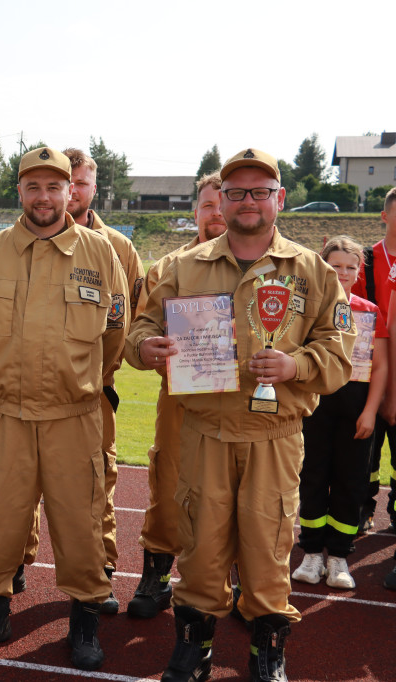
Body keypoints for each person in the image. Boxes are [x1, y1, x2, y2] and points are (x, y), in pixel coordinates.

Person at [126, 148, 355, 682]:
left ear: (279, 199)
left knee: (268, 546)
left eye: (259, 191)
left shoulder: (313, 272)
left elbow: (340, 354)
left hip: (274, 435)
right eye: (235, 192)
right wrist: (147, 349)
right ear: (220, 200)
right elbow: (139, 328)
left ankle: (267, 649)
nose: (247, 201)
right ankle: (194, 645)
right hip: (204, 430)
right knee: (201, 545)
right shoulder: (183, 267)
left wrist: (295, 365)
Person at [0, 147, 127, 671]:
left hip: (74, 414)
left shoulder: (101, 253)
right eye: (34, 186)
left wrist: (85, 382)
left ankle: (84, 615)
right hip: (8, 411)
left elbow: (114, 334)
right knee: (2, 518)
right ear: (20, 192)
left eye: (56, 187)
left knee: (79, 521)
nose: (45, 197)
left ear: (70, 192)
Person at [127, 172, 226, 617]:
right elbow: (139, 328)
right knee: (167, 481)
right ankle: (158, 572)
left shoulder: (263, 268)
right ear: (196, 212)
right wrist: (148, 349)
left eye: (225, 204)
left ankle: (235, 579)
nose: (218, 214)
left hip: (239, 404)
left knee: (233, 492)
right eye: (208, 205)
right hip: (180, 396)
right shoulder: (168, 268)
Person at [63, 147, 145, 613]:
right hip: (27, 392)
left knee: (99, 484)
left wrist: (100, 376)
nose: (71, 191)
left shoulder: (118, 247)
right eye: (64, 181)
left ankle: (102, 572)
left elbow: (127, 324)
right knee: (17, 487)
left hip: (95, 392)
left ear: (94, 188)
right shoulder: (11, 245)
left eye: (80, 182)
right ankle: (13, 569)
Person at [291, 236, 386, 591]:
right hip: (315, 407)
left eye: (350, 266)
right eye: (335, 265)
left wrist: (370, 412)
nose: (342, 272)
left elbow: (380, 368)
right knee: (312, 477)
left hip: (356, 409)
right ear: (322, 265)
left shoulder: (370, 310)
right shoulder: (307, 308)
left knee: (351, 481)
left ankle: (339, 556)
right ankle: (312, 553)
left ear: (359, 271)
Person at [353, 185, 396, 533]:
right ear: (384, 216)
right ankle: (362, 508)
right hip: (368, 372)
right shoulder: (366, 261)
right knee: (365, 452)